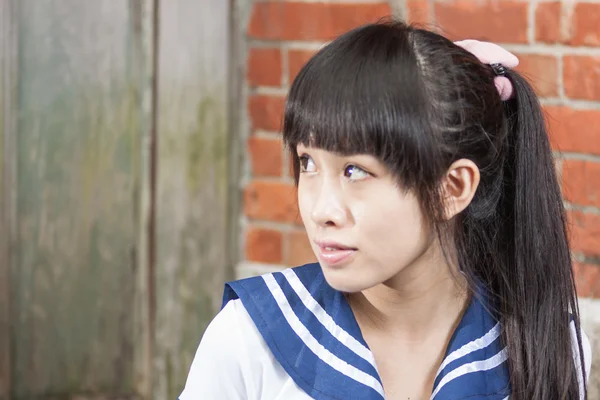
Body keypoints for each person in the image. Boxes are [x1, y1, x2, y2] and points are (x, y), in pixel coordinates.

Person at [179, 20, 592, 400]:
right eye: (308, 163)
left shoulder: (546, 345)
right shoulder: (250, 338)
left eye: (355, 170)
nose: (321, 210)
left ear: (453, 187)